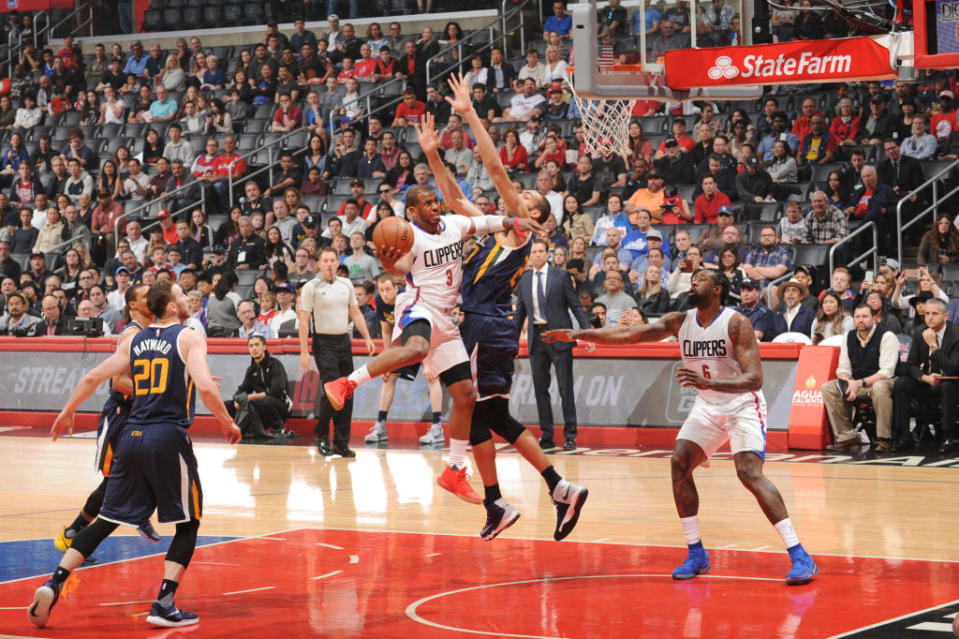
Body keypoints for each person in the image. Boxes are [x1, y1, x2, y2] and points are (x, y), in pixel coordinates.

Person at [543, 268, 818, 584]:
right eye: (693, 277)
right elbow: (631, 334)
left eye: (701, 278)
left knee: (748, 473)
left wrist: (708, 380)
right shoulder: (680, 320)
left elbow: (755, 378)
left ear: (716, 289)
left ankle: (800, 555)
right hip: (707, 406)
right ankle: (696, 553)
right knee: (679, 463)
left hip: (742, 405)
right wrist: (581, 334)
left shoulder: (736, 323)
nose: (694, 281)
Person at [322, 143, 542, 501]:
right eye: (427, 203)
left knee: (466, 396)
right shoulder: (410, 236)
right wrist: (391, 266)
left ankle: (455, 470)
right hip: (420, 305)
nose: (435, 206)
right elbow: (403, 269)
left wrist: (514, 221)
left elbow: (488, 221)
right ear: (412, 211)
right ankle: (347, 383)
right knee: (416, 347)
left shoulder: (453, 224)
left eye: (436, 201)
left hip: (448, 319)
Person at [31, 280, 241, 629]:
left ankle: (54, 581)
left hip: (131, 436)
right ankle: (164, 603)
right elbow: (205, 386)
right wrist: (228, 422)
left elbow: (94, 376)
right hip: (167, 437)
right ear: (171, 307)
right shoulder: (189, 335)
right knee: (188, 524)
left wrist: (67, 411)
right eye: (180, 295)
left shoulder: (137, 339)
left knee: (106, 520)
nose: (186, 298)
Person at [437, 79, 588, 539]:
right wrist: (431, 154)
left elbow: (495, 168)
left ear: (536, 217)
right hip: (492, 328)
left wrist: (469, 114)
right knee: (492, 418)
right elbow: (453, 200)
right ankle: (551, 490)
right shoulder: (493, 232)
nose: (520, 196)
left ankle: (493, 496)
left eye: (530, 200)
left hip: (485, 328)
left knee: (473, 413)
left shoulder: (521, 233)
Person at [53, 284, 159, 555]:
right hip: (121, 416)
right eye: (146, 295)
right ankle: (74, 534)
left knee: (146, 471)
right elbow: (119, 382)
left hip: (139, 415)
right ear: (133, 305)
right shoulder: (131, 335)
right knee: (113, 482)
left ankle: (128, 515)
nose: (154, 298)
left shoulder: (152, 332)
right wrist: (162, 389)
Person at [298, 246, 375, 458]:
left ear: (338, 262)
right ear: (319, 263)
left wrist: (367, 337)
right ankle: (322, 435)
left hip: (344, 341)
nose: (330, 263)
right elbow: (304, 321)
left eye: (333, 260)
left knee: (347, 392)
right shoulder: (311, 287)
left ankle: (341, 443)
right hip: (323, 342)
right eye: (326, 260)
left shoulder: (346, 283)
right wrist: (304, 351)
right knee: (332, 390)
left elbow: (356, 313)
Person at [821, 303, 898, 451]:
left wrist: (859, 384)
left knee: (880, 387)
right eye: (857, 316)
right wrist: (849, 382)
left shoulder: (887, 336)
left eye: (865, 316)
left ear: (874, 318)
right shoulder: (848, 337)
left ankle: (884, 438)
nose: (860, 320)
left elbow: (886, 372)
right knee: (829, 387)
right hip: (857, 383)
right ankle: (847, 436)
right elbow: (843, 368)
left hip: (883, 381)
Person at [892, 298, 959, 452]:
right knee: (902, 384)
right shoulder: (920, 331)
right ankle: (903, 434)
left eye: (935, 313)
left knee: (948, 387)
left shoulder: (956, 334)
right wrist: (925, 378)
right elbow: (911, 364)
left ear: (946, 316)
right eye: (927, 313)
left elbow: (952, 368)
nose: (930, 317)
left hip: (949, 381)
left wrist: (933, 347)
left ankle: (948, 436)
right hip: (926, 380)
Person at [232, 335, 290, 439]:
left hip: (281, 405)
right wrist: (237, 400)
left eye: (257, 345)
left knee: (263, 401)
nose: (254, 348)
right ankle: (246, 429)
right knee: (228, 405)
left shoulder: (275, 365)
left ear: (264, 347)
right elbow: (241, 390)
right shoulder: (251, 370)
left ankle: (279, 427)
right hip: (261, 406)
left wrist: (248, 398)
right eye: (251, 346)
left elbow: (276, 392)